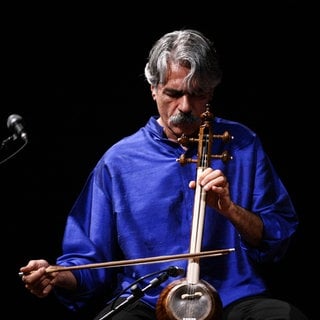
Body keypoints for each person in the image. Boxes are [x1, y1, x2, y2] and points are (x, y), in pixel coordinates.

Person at [20, 29, 308, 320]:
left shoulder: (243, 143)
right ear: (153, 88)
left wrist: (231, 210)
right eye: (173, 93)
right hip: (149, 298)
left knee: (284, 316)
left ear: (211, 91)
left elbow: (278, 236)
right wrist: (57, 275)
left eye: (197, 94)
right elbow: (88, 262)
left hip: (231, 295)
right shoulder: (119, 160)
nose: (185, 107)